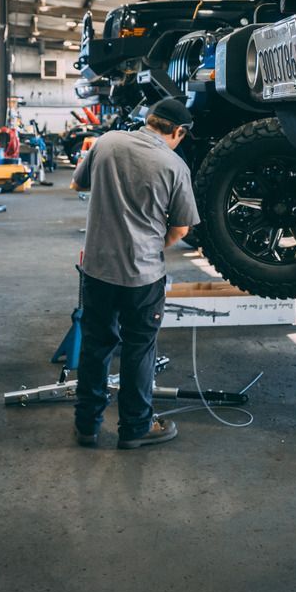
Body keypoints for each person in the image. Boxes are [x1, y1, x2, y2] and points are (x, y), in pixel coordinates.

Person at [70, 98, 200, 449]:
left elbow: (77, 185)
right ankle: (135, 427)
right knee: (138, 349)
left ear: (149, 120)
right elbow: (182, 228)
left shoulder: (107, 142)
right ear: (177, 131)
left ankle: (87, 426)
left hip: (97, 269)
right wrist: (152, 247)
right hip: (142, 275)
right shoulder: (174, 165)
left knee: (96, 345)